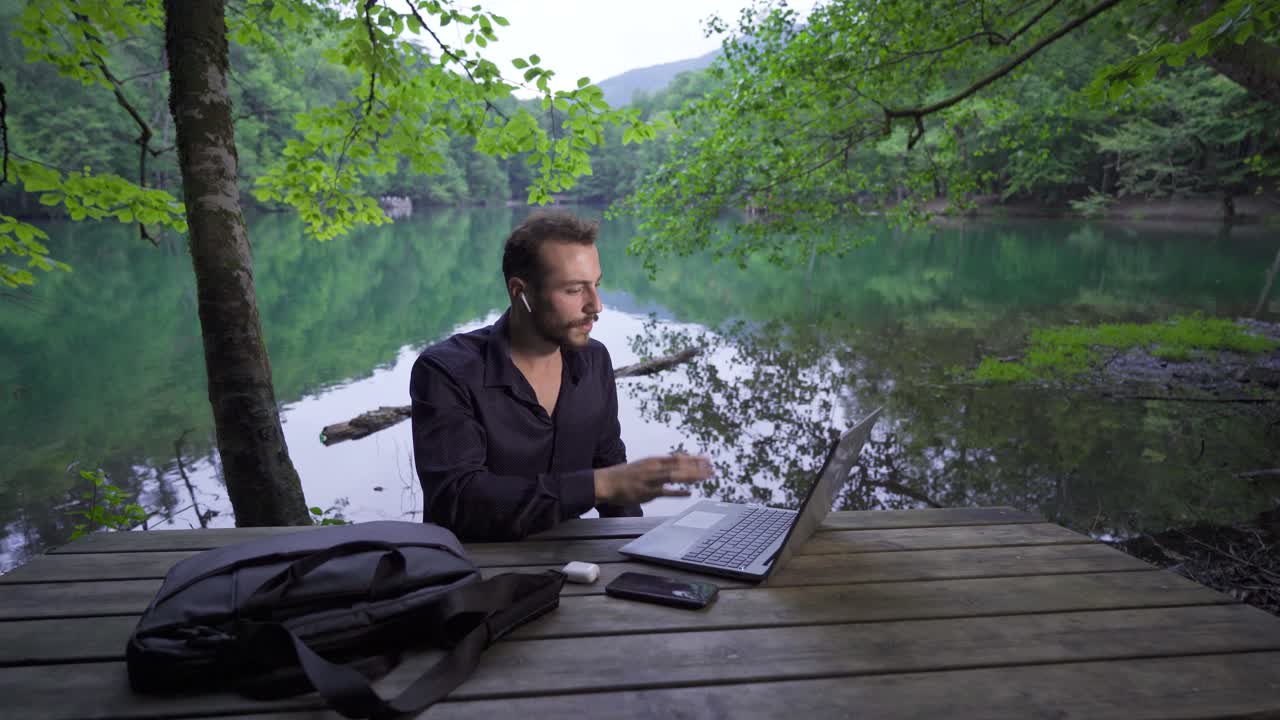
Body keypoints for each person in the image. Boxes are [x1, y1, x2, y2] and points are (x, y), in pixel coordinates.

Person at [410, 210, 713, 541]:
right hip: (475, 570)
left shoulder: (595, 360)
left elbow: (609, 463)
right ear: (519, 292)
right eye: (573, 291)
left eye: (596, 286)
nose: (596, 306)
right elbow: (457, 503)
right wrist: (601, 485)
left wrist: (640, 548)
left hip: (576, 564)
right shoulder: (446, 371)